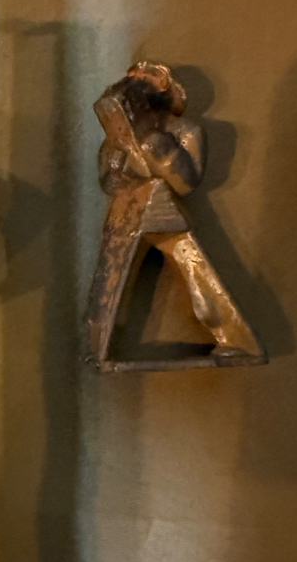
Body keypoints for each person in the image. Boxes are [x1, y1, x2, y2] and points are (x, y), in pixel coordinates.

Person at [85, 61, 264, 365]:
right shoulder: (117, 138)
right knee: (109, 282)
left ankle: (234, 336)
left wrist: (159, 151)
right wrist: (118, 159)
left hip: (163, 212)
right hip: (129, 214)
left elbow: (186, 183)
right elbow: (109, 183)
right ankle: (97, 345)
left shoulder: (185, 131)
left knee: (196, 274)